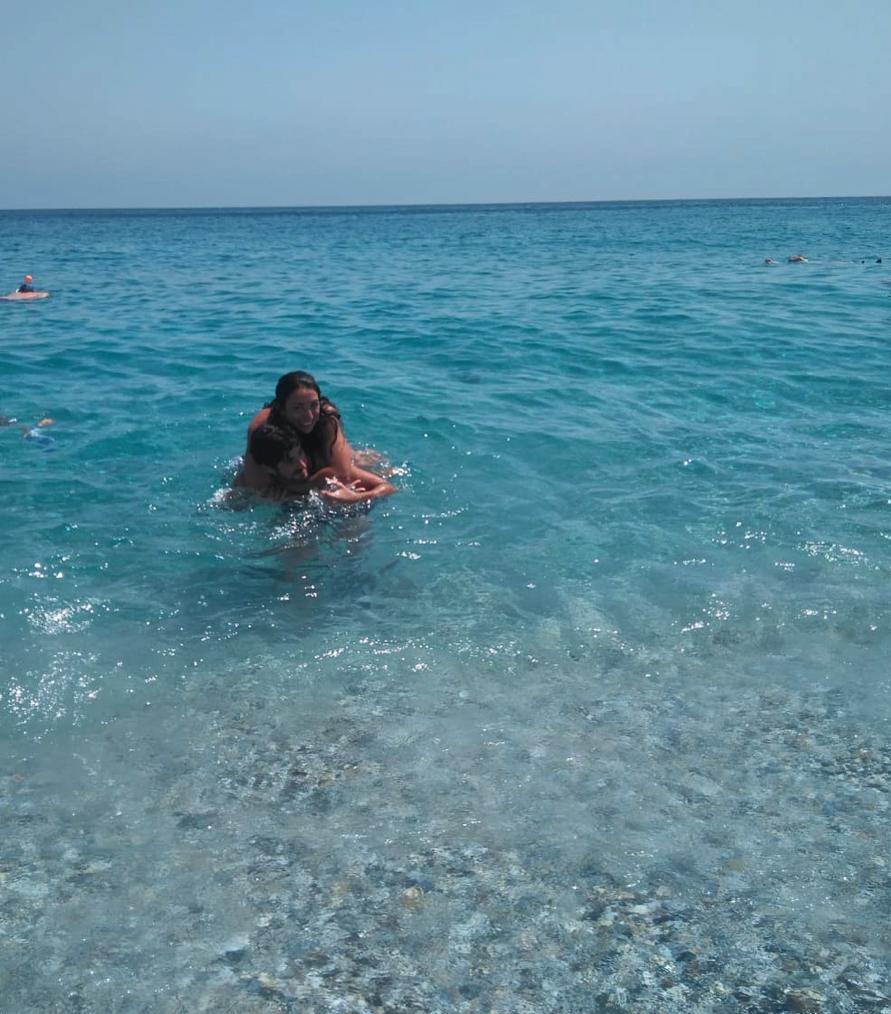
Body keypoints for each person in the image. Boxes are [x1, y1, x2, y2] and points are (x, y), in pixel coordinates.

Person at [235, 371, 395, 504]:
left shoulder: (325, 420)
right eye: (297, 408)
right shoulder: (262, 428)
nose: (309, 416)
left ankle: (360, 457)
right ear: (282, 409)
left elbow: (342, 473)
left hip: (334, 461)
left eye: (314, 405)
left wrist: (291, 487)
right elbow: (258, 487)